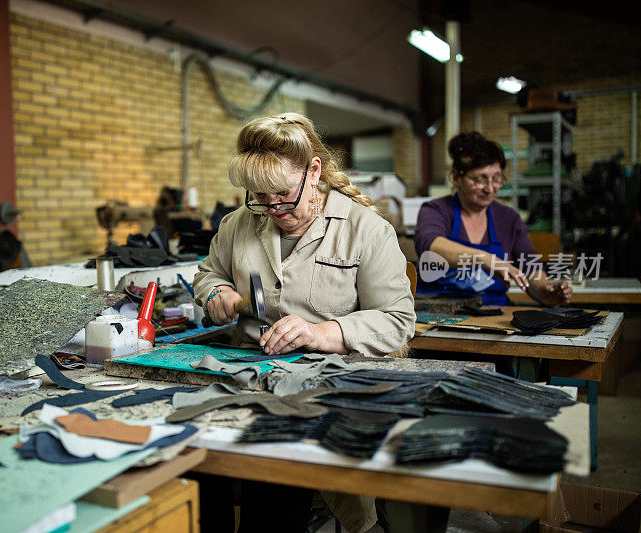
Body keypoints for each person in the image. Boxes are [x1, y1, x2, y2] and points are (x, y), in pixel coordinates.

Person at [190, 112, 415, 533]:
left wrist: (322, 333)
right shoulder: (239, 223)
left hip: (322, 389)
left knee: (274, 483)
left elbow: (398, 320)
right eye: (260, 196)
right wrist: (215, 293)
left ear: (314, 171)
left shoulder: (366, 230)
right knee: (193, 465)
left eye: (283, 195)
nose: (273, 209)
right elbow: (208, 272)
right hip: (246, 378)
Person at [414, 131, 572, 306]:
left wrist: (543, 290)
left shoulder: (509, 218)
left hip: (492, 311)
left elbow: (531, 268)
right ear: (456, 177)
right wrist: (485, 259)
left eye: (496, 179)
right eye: (480, 179)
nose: (490, 189)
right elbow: (430, 246)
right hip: (439, 310)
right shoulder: (436, 210)